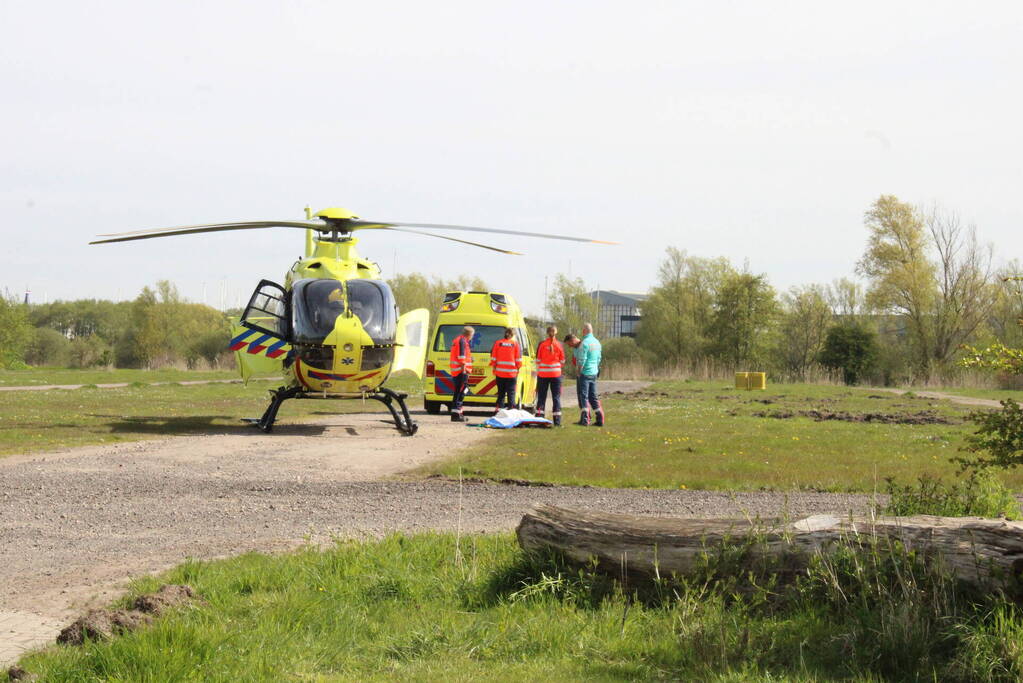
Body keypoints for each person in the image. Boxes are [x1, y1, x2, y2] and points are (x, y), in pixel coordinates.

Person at [568, 323, 604, 426]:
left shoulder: (585, 343)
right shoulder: (597, 343)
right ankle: (600, 418)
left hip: (585, 373)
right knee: (593, 396)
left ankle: (585, 420)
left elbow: (582, 359)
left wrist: (579, 370)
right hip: (594, 372)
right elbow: (599, 358)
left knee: (583, 396)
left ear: (584, 331)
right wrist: (595, 368)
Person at [535, 325, 565, 426]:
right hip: (556, 374)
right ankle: (557, 421)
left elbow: (538, 360)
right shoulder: (559, 345)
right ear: (556, 333)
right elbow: (562, 361)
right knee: (556, 397)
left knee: (542, 397)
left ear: (547, 333)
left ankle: (540, 419)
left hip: (543, 374)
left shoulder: (542, 344)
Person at [489, 327, 522, 412]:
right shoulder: (515, 344)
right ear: (513, 335)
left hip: (500, 373)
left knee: (501, 394)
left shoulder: (498, 343)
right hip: (511, 374)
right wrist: (518, 368)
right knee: (511, 394)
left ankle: (499, 412)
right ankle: (511, 412)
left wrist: (494, 368)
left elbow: (493, 358)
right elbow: (518, 360)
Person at [449, 325, 474, 422]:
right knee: (462, 391)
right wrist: (464, 371)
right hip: (461, 371)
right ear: (469, 334)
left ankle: (457, 413)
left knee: (459, 392)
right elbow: (461, 357)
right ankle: (456, 414)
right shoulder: (462, 341)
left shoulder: (459, 340)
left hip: (458, 370)